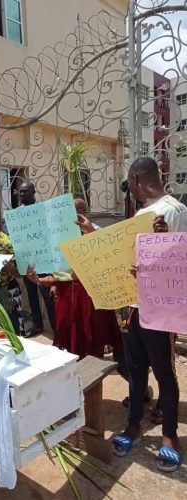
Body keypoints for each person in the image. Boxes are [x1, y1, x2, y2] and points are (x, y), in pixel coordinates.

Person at [113, 157, 186, 472]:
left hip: (160, 308)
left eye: (129, 183)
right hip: (133, 305)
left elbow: (180, 260)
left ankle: (170, 435)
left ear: (135, 179)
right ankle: (134, 425)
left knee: (164, 372)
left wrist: (166, 238)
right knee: (135, 368)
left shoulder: (175, 211)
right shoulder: (139, 216)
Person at [25, 198, 122, 358]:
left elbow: (110, 259)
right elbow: (58, 276)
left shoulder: (96, 232)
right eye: (72, 210)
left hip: (91, 297)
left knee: (93, 339)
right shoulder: (59, 238)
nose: (77, 214)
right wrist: (37, 280)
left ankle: (94, 373)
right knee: (70, 341)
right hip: (67, 297)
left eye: (81, 209)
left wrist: (90, 233)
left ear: (86, 211)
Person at [18, 181, 55, 336]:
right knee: (31, 295)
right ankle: (38, 325)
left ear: (33, 192)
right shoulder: (17, 213)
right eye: (20, 192)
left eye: (25, 191)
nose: (22, 194)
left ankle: (56, 329)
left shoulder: (43, 210)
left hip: (44, 260)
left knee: (48, 296)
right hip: (27, 262)